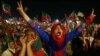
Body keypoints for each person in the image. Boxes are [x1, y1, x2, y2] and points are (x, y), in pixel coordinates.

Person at [17, 1, 96, 56]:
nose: (58, 29)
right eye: (56, 28)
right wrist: (23, 13)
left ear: (63, 31)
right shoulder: (48, 38)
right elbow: (34, 26)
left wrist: (89, 20)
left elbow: (78, 30)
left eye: (60, 28)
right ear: (52, 32)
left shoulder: (66, 38)